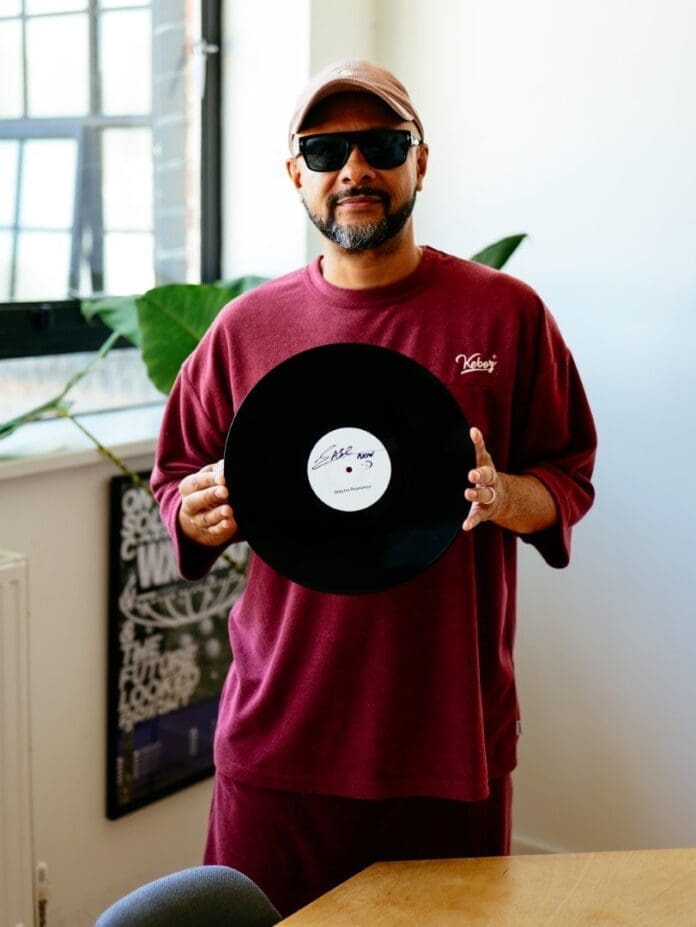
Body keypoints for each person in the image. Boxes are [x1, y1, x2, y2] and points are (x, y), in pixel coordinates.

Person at [151, 59, 596, 916]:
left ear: (419, 161)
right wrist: (196, 512)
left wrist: (505, 496)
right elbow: (176, 477)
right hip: (280, 740)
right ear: (298, 176)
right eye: (326, 150)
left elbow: (567, 475)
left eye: (382, 144)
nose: (354, 168)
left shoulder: (506, 315)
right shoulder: (245, 328)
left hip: (448, 741)